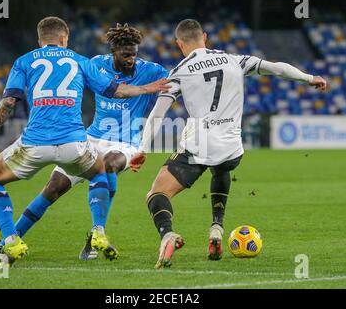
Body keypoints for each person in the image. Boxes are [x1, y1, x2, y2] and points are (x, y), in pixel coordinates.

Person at [130, 19, 327, 269]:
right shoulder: (235, 59)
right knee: (221, 168)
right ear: (205, 36)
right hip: (232, 148)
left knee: (157, 193)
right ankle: (216, 229)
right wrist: (309, 78)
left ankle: (167, 234)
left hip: (199, 146)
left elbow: (158, 114)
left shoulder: (179, 71)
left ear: (179, 44)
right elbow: (277, 68)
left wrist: (143, 149)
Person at [0, 16, 170, 266]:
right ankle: (9, 241)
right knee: (54, 187)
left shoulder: (151, 70)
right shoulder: (91, 63)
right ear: (113, 51)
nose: (130, 59)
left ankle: (95, 233)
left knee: (108, 165)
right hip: (88, 137)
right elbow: (116, 90)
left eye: (133, 54)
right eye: (125, 55)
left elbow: (173, 82)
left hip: (125, 142)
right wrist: (147, 89)